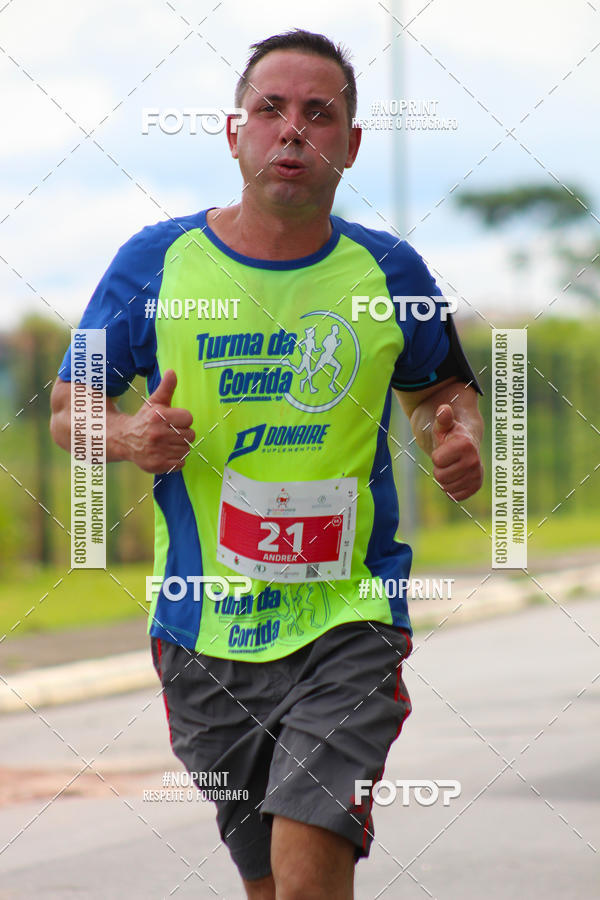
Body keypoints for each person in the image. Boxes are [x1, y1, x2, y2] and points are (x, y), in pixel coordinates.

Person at [50, 28, 483, 900]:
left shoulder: (390, 270)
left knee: (308, 854)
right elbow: (69, 410)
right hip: (204, 632)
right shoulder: (157, 266)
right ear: (234, 132)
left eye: (318, 115)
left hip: (349, 619)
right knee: (269, 884)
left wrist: (456, 437)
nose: (293, 130)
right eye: (271, 111)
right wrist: (130, 436)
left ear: (350, 146)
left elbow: (444, 390)